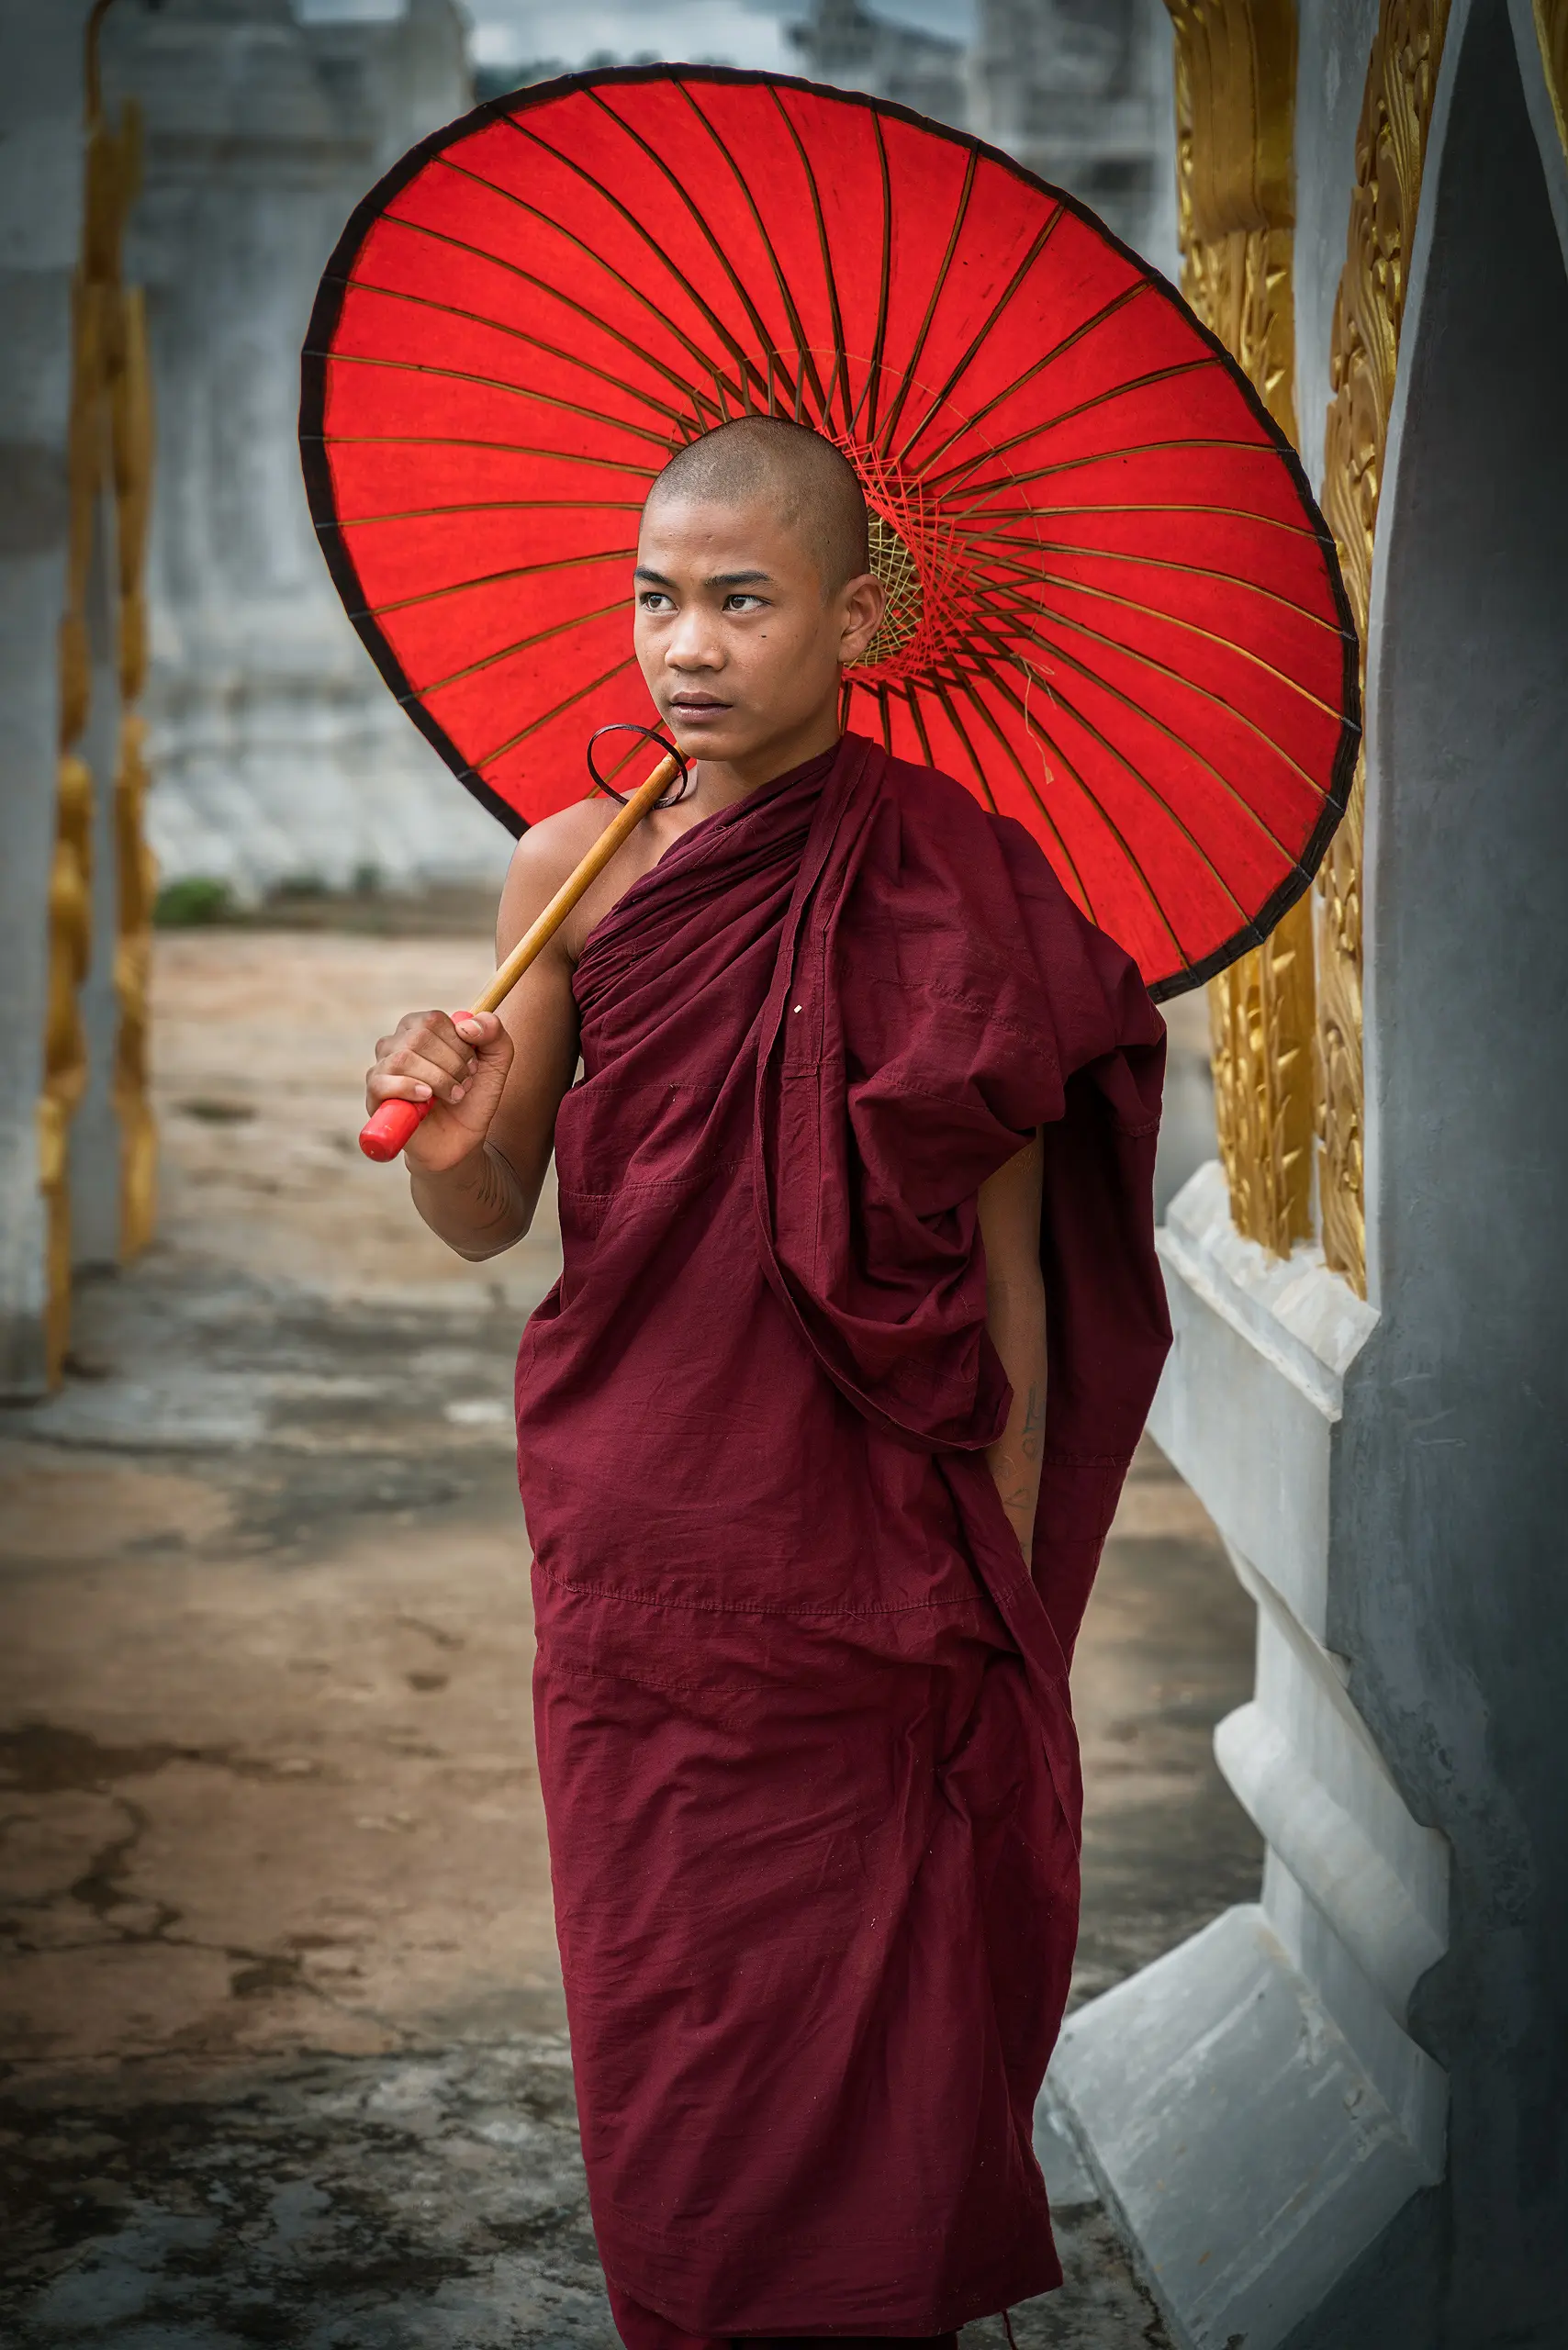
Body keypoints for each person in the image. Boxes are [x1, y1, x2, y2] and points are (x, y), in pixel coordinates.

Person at [365, 416, 1171, 2349]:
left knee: (883, 2040)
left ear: (857, 619)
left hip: (874, 1559)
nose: (688, 646)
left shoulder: (956, 888)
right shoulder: (571, 872)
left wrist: (1003, 1594)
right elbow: (484, 1216)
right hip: (640, 1545)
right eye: (655, 598)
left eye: (743, 600)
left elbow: (1007, 1290)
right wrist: (448, 1126)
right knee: (677, 2032)